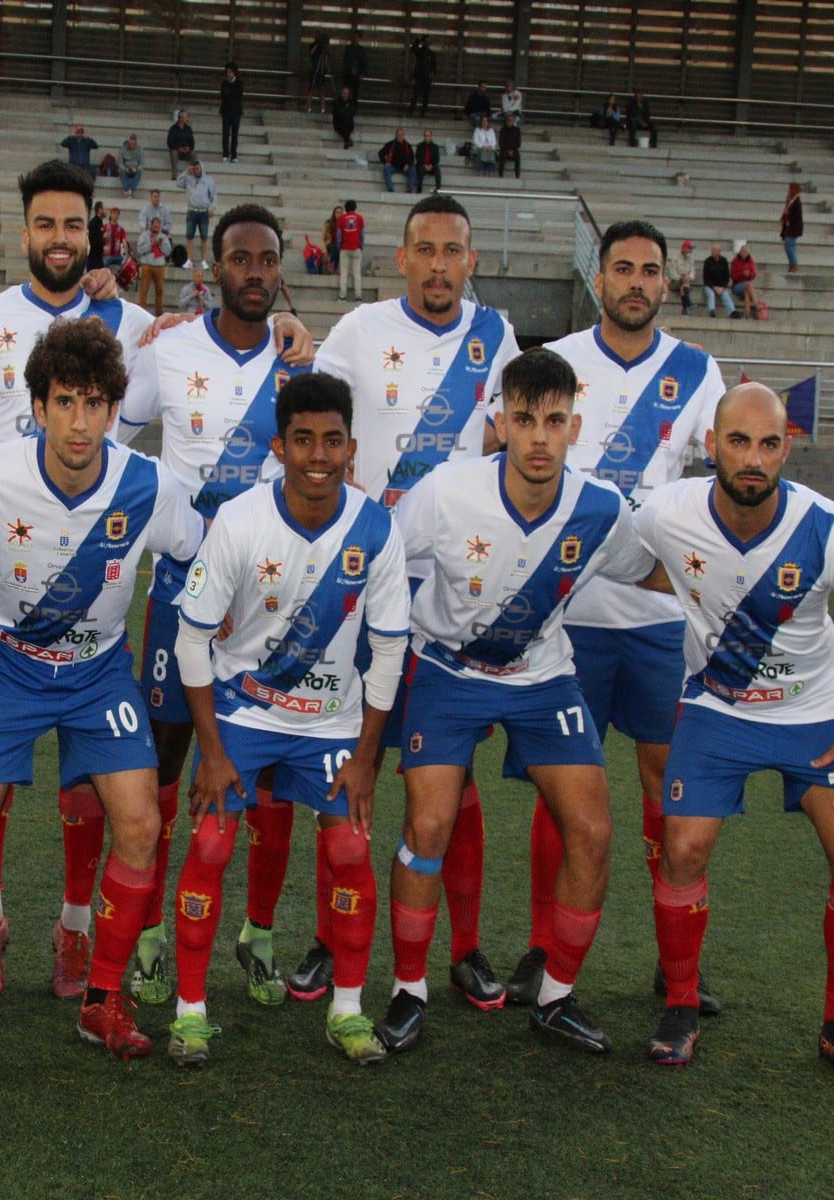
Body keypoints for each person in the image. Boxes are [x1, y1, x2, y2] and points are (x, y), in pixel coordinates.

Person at [0, 318, 205, 1061]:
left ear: (115, 411)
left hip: (99, 671)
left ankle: (103, 1002)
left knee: (139, 822)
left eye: (95, 404)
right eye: (65, 402)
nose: (80, 422)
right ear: (37, 407)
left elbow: (202, 552)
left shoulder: (151, 485)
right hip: (8, 665)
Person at [376, 347, 664, 1057]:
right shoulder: (446, 492)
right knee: (430, 824)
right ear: (500, 421)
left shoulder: (599, 509)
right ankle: (407, 991)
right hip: (445, 669)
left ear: (575, 427)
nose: (539, 437)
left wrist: (723, 589)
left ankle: (557, 997)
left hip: (542, 676)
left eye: (555, 421)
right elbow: (381, 557)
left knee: (593, 832)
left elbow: (652, 571)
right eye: (525, 419)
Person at [638, 382, 834, 1085]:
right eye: (737, 442)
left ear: (786, 446)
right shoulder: (667, 512)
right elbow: (627, 562)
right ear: (711, 447)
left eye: (767, 443)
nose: (752, 459)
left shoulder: (831, 529)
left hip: (816, 716)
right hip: (716, 710)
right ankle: (679, 1003)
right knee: (682, 847)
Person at [0, 161, 159, 997]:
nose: (60, 240)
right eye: (46, 225)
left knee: (91, 786)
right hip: (3, 566)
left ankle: (76, 929)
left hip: (95, 567)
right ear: (24, 230)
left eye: (74, 226)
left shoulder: (131, 321)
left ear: (92, 233)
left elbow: (200, 376)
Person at [502, 220, 727, 1016]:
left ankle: (675, 967)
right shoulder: (554, 364)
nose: (636, 281)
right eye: (622, 268)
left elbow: (724, 478)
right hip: (569, 620)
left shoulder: (700, 372)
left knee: (673, 786)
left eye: (650, 270)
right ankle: (541, 946)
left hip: (665, 620)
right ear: (598, 278)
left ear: (669, 282)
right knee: (561, 793)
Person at [305, 193, 521, 1006]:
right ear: (400, 258)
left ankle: (463, 948)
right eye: (424, 249)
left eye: (453, 250)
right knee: (343, 765)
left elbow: (513, 434)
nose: (439, 264)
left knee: (450, 783)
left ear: (471, 260)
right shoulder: (359, 331)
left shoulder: (496, 337)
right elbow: (314, 419)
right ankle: (335, 935)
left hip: (455, 596)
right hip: (360, 585)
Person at [166, 372, 409, 1066]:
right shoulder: (241, 520)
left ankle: (348, 1011)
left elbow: (389, 649)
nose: (318, 455)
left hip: (333, 723)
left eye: (333, 440)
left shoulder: (376, 528)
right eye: (303, 439)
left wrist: (366, 757)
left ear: (351, 448)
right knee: (211, 845)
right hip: (243, 710)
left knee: (351, 850)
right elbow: (192, 640)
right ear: (279, 445)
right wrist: (211, 753)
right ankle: (189, 1013)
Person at [115, 203, 314, 1008]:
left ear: (279, 270)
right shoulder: (167, 351)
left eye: (268, 260)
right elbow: (115, 443)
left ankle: (257, 931)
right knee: (163, 763)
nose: (255, 272)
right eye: (241, 258)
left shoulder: (302, 361)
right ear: (215, 265)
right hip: (182, 589)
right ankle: (151, 935)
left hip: (276, 597)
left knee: (268, 769)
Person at [176, 159, 217, 268]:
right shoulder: (188, 178)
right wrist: (186, 172)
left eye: (197, 169)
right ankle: (189, 259)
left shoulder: (208, 180)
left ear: (202, 169)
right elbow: (178, 183)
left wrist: (212, 207)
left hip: (203, 211)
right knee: (190, 236)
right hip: (192, 210)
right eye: (194, 169)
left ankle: (203, 260)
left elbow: (214, 196)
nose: (196, 171)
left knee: (204, 236)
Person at [137, 216, 173, 315]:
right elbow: (139, 250)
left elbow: (168, 252)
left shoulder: (164, 237)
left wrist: (160, 245)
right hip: (147, 265)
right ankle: (141, 312)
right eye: (155, 226)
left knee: (160, 290)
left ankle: (159, 312)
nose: (156, 228)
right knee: (144, 290)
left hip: (160, 266)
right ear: (151, 225)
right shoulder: (144, 236)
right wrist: (151, 245)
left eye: (158, 226)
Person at [335, 199, 364, 302]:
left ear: (345, 208)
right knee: (356, 273)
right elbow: (361, 234)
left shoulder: (342, 219)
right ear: (355, 207)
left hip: (344, 248)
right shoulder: (360, 218)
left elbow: (339, 235)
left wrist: (339, 246)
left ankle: (342, 296)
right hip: (356, 247)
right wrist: (361, 245)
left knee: (344, 272)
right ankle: (358, 296)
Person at [701, 242, 734, 317]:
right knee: (711, 294)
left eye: (716, 250)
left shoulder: (724, 261)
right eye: (713, 250)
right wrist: (713, 287)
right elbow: (705, 278)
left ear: (719, 251)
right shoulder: (707, 261)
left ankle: (732, 312)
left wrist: (723, 287)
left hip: (721, 286)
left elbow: (727, 276)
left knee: (725, 294)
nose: (714, 251)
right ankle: (711, 310)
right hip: (709, 286)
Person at [219, 62, 244, 162]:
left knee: (234, 134)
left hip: (236, 111)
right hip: (226, 111)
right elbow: (223, 95)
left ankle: (234, 155)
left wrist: (230, 93)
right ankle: (225, 154)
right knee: (225, 133)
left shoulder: (239, 82)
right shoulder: (224, 82)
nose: (228, 74)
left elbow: (239, 95)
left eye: (230, 72)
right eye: (227, 72)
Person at [379, 128, 416, 194]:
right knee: (386, 169)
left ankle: (409, 189)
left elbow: (412, 158)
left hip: (405, 167)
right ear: (396, 135)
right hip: (393, 166)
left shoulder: (408, 146)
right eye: (399, 134)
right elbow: (380, 153)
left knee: (413, 170)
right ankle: (391, 189)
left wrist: (408, 164)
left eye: (401, 134)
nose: (400, 136)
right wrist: (385, 162)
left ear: (404, 135)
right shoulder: (390, 144)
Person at [408, 36, 436, 117]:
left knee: (426, 97)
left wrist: (433, 73)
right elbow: (413, 48)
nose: (427, 44)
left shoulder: (432, 54)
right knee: (415, 95)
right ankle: (411, 111)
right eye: (426, 42)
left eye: (428, 42)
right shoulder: (419, 52)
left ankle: (423, 113)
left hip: (427, 78)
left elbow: (434, 65)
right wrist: (418, 41)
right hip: (419, 77)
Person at [730, 241, 760, 314]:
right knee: (748, 285)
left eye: (746, 252)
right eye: (743, 252)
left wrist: (749, 274)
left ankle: (747, 314)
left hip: (746, 285)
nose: (744, 254)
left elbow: (753, 275)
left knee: (747, 292)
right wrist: (742, 274)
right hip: (736, 286)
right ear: (740, 252)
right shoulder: (735, 261)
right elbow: (733, 276)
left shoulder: (750, 261)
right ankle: (757, 305)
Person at [779, 184, 803, 269]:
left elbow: (796, 215)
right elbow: (786, 211)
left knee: (788, 244)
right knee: (790, 245)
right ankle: (792, 264)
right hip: (789, 227)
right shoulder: (790, 200)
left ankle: (794, 264)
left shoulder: (797, 202)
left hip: (794, 227)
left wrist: (788, 219)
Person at [669, 238, 696, 313]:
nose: (691, 251)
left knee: (683, 287)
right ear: (684, 249)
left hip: (686, 282)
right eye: (689, 248)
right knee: (684, 285)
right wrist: (682, 278)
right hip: (675, 282)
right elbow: (672, 273)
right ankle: (688, 303)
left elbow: (692, 271)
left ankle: (686, 306)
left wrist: (689, 278)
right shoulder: (675, 258)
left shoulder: (690, 260)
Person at [306, 33, 331, 113]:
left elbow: (326, 58)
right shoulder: (312, 45)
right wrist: (317, 44)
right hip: (314, 69)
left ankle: (323, 108)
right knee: (311, 89)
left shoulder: (323, 48)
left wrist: (328, 69)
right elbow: (311, 52)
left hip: (321, 71)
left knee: (322, 89)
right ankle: (309, 107)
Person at [167, 109, 196, 177]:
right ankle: (174, 175)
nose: (187, 119)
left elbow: (192, 142)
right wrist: (178, 148)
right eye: (186, 117)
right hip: (177, 151)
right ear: (181, 118)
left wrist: (188, 148)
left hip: (186, 152)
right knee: (173, 152)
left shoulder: (188, 129)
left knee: (193, 154)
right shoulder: (173, 128)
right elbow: (170, 142)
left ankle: (193, 174)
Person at [414, 129, 443, 194]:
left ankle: (438, 189)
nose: (427, 137)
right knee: (420, 170)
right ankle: (419, 190)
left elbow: (437, 158)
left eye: (428, 135)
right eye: (425, 136)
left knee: (437, 170)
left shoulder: (435, 147)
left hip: (432, 165)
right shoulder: (419, 146)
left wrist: (431, 165)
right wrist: (424, 165)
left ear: (431, 136)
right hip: (423, 165)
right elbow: (418, 158)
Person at [341, 31, 367, 103]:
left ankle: (353, 108)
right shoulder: (348, 48)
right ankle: (345, 106)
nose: (355, 39)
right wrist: (351, 69)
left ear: (360, 39)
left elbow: (364, 62)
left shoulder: (362, 50)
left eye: (357, 37)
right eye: (354, 37)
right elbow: (346, 60)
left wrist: (362, 73)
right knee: (346, 91)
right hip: (348, 73)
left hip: (357, 75)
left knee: (355, 92)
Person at [332, 85, 357, 150]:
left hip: (348, 123)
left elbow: (352, 112)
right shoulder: (337, 101)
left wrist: (346, 112)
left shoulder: (351, 102)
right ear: (342, 93)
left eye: (347, 93)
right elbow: (338, 113)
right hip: (339, 123)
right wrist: (346, 110)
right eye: (344, 93)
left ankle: (346, 140)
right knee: (343, 123)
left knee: (347, 122)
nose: (345, 95)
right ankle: (347, 140)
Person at [498, 113, 522, 178]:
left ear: (514, 121)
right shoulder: (503, 130)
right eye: (508, 120)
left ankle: (517, 176)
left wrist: (512, 150)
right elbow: (500, 143)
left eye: (511, 120)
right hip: (504, 150)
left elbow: (518, 143)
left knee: (518, 156)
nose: (509, 122)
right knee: (502, 155)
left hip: (514, 150)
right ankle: (500, 175)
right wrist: (508, 150)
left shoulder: (517, 130)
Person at [322, 204, 343, 273]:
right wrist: (324, 250)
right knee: (336, 246)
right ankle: (334, 267)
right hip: (329, 244)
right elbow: (323, 237)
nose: (339, 214)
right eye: (337, 212)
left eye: (340, 213)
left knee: (338, 247)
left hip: (338, 244)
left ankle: (331, 263)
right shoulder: (328, 223)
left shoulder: (343, 224)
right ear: (334, 213)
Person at [88, 201, 107, 271]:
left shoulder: (99, 222)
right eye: (104, 209)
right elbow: (93, 240)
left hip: (98, 257)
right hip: (93, 258)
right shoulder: (94, 223)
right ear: (99, 210)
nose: (106, 211)